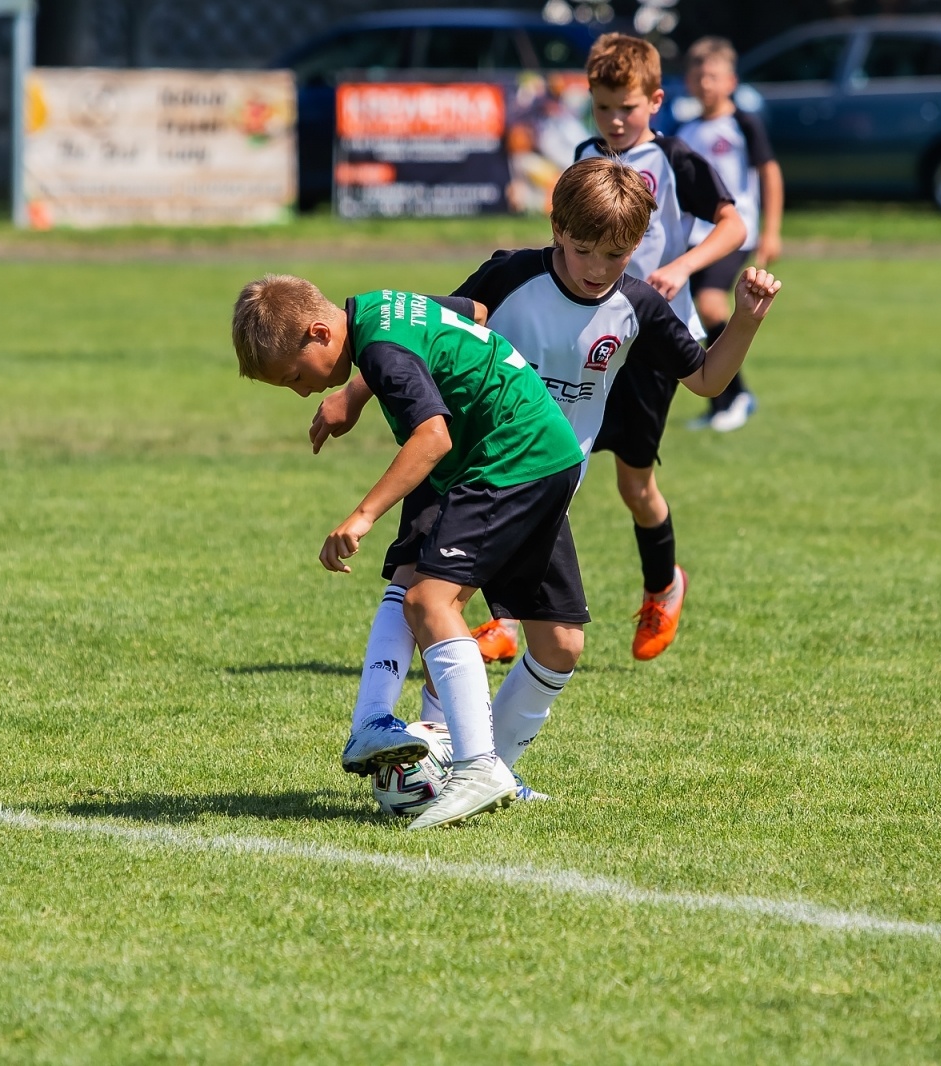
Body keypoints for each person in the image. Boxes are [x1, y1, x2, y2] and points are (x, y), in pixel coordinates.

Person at [312, 159, 783, 796]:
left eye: (615, 254)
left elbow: (705, 379)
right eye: (583, 248)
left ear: (637, 246)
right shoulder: (510, 276)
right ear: (556, 227)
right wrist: (358, 393)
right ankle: (424, 761)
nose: (595, 267)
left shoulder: (637, 305)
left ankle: (489, 770)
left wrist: (747, 320)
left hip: (542, 485)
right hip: (467, 464)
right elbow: (423, 336)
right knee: (431, 595)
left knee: (559, 643)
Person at [233, 277, 587, 829]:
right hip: (543, 448)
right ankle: (465, 758)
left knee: (427, 601)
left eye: (295, 377)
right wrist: (355, 392)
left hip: (508, 453)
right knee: (559, 642)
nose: (302, 392)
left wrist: (362, 514)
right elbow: (471, 310)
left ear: (319, 333)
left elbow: (432, 436)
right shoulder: (380, 308)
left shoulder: (379, 349)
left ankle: (477, 767)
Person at [505, 31, 746, 665]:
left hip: (650, 342)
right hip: (585, 337)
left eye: (627, 108)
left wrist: (683, 267)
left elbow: (734, 223)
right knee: (546, 469)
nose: (614, 120)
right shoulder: (584, 158)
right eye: (604, 105)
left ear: (655, 101)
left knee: (634, 486)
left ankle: (663, 586)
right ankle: (507, 616)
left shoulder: (675, 160)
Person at [676, 36, 784, 433]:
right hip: (694, 239)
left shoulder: (743, 124)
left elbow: (769, 174)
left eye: (714, 76)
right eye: (700, 75)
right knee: (695, 321)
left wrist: (771, 231)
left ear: (731, 81)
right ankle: (719, 402)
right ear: (689, 80)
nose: (706, 83)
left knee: (710, 305)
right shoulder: (684, 131)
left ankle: (737, 395)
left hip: (734, 234)